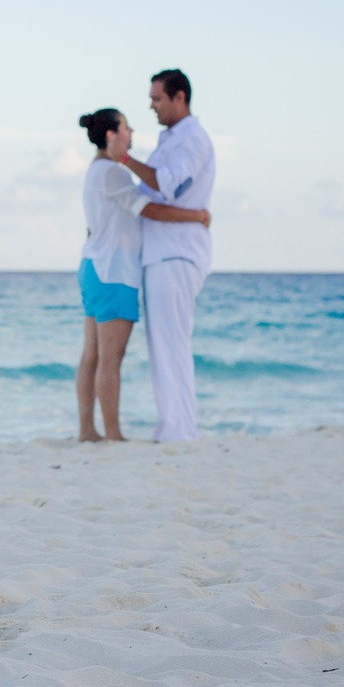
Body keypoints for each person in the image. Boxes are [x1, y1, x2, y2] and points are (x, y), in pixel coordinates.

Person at [76, 108, 210, 442]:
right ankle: (113, 434)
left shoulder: (95, 170)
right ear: (112, 134)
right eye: (126, 127)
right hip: (114, 270)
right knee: (110, 359)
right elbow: (148, 209)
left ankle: (87, 430)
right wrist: (196, 215)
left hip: (93, 266)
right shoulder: (113, 173)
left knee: (91, 355)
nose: (131, 132)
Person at [121, 70, 215, 442]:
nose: (151, 105)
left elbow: (170, 185)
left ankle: (179, 431)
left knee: (171, 344)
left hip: (176, 254)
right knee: (163, 346)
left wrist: (125, 161)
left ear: (179, 97)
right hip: (162, 254)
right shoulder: (172, 140)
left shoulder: (192, 140)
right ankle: (173, 427)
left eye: (157, 99)